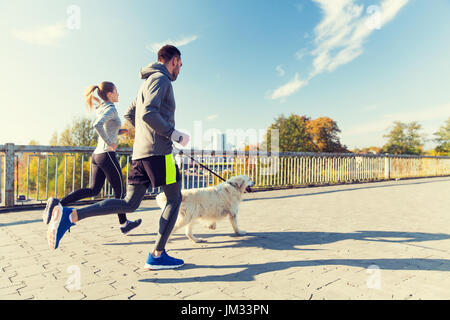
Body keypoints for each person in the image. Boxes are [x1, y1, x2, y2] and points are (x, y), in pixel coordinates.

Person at [47, 45, 190, 271]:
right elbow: (149, 113)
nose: (180, 70)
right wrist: (172, 133)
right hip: (159, 154)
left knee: (129, 204)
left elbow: (131, 114)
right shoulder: (162, 80)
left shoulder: (146, 83)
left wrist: (145, 134)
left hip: (140, 153)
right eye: (180, 65)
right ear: (173, 61)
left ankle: (71, 215)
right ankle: (157, 255)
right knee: (174, 199)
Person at [43, 81, 142, 235]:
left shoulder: (102, 107)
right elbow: (97, 125)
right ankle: (124, 224)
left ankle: (58, 203)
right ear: (109, 94)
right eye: (116, 91)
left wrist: (121, 131)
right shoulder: (110, 108)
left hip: (97, 155)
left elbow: (107, 127)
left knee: (93, 189)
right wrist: (110, 143)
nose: (118, 94)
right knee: (120, 191)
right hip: (106, 155)